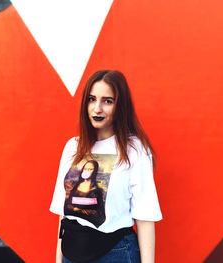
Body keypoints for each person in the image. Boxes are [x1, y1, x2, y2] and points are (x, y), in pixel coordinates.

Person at [50, 70, 162, 263]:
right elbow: (64, 213)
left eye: (107, 101)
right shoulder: (72, 147)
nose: (97, 108)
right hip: (72, 251)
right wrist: (58, 260)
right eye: (92, 99)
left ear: (120, 106)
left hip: (115, 253)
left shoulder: (134, 150)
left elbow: (145, 216)